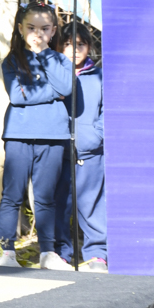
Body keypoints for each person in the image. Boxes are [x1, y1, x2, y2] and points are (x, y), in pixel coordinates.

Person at [0, 2, 74, 270]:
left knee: (46, 197)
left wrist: (46, 57)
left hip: (53, 135)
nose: (37, 34)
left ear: (53, 31)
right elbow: (18, 96)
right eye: (31, 28)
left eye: (44, 28)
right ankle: (7, 252)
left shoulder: (60, 60)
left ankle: (48, 253)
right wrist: (53, 93)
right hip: (19, 134)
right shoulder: (12, 60)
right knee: (12, 194)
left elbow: (66, 87)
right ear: (20, 29)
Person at [55, 24, 107, 272]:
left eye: (80, 44)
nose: (74, 50)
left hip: (90, 153)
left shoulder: (99, 76)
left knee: (92, 205)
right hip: (58, 152)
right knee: (58, 206)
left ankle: (97, 255)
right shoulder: (54, 74)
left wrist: (96, 135)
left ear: (89, 47)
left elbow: (107, 110)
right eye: (67, 44)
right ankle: (61, 255)